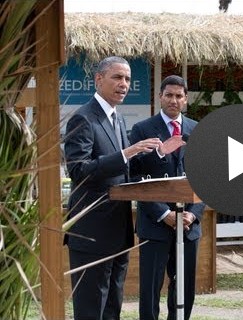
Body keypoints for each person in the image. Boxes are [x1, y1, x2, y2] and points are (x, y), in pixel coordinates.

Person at [64, 56, 184, 319]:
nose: (124, 84)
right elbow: (78, 170)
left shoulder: (116, 119)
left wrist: (159, 154)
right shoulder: (83, 119)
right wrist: (126, 153)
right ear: (98, 79)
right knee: (90, 311)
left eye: (128, 79)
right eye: (117, 77)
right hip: (91, 233)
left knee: (112, 310)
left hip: (119, 232)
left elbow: (124, 171)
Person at [129, 75, 206, 320]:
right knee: (150, 289)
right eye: (169, 95)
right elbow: (136, 176)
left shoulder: (197, 129)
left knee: (184, 288)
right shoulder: (142, 130)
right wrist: (165, 214)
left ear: (185, 99)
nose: (174, 100)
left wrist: (192, 214)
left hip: (189, 225)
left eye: (179, 96)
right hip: (155, 223)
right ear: (160, 97)